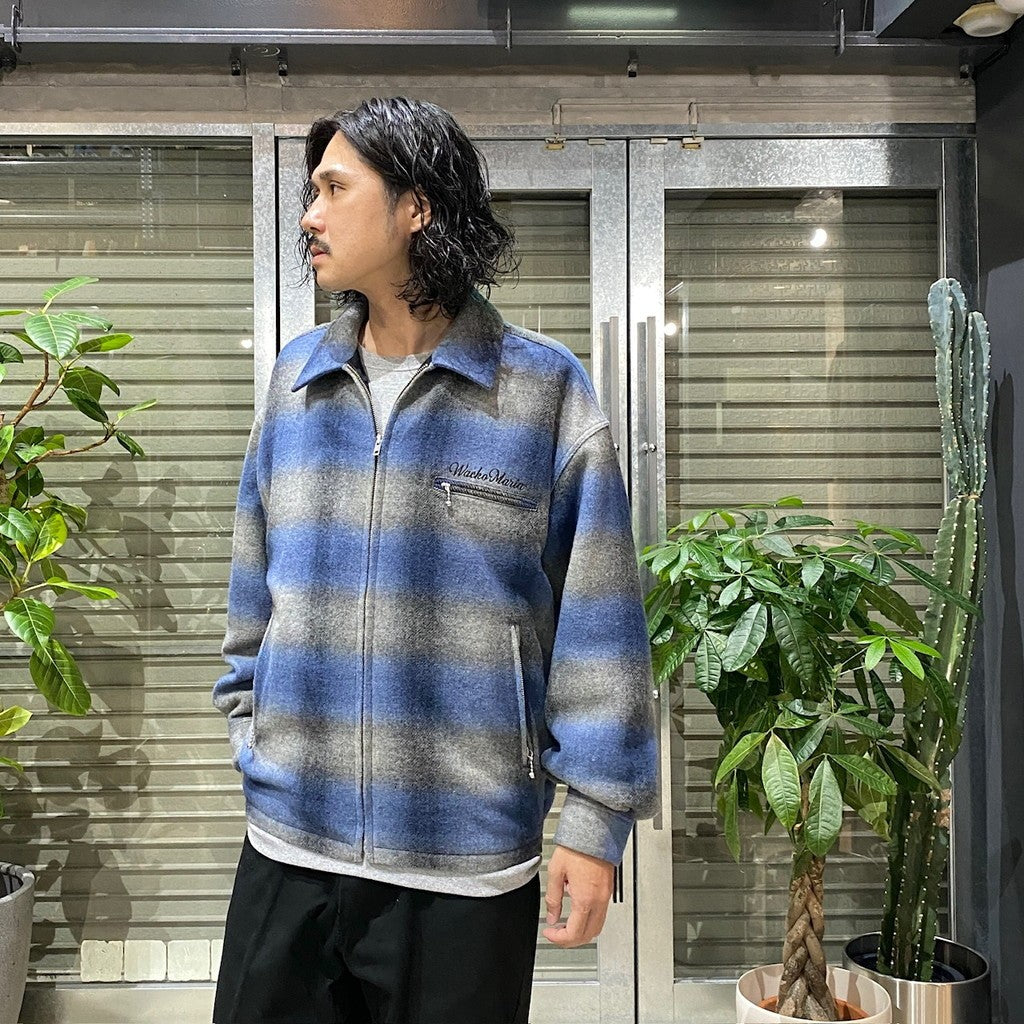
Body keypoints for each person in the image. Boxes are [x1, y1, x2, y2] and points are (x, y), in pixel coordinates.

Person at [211, 96, 658, 1024]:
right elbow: (253, 597)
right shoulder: (296, 383)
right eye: (310, 193)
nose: (309, 216)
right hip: (290, 847)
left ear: (415, 206)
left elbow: (600, 624)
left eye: (334, 189)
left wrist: (593, 821)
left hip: (464, 865)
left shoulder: (541, 391)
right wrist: (255, 737)